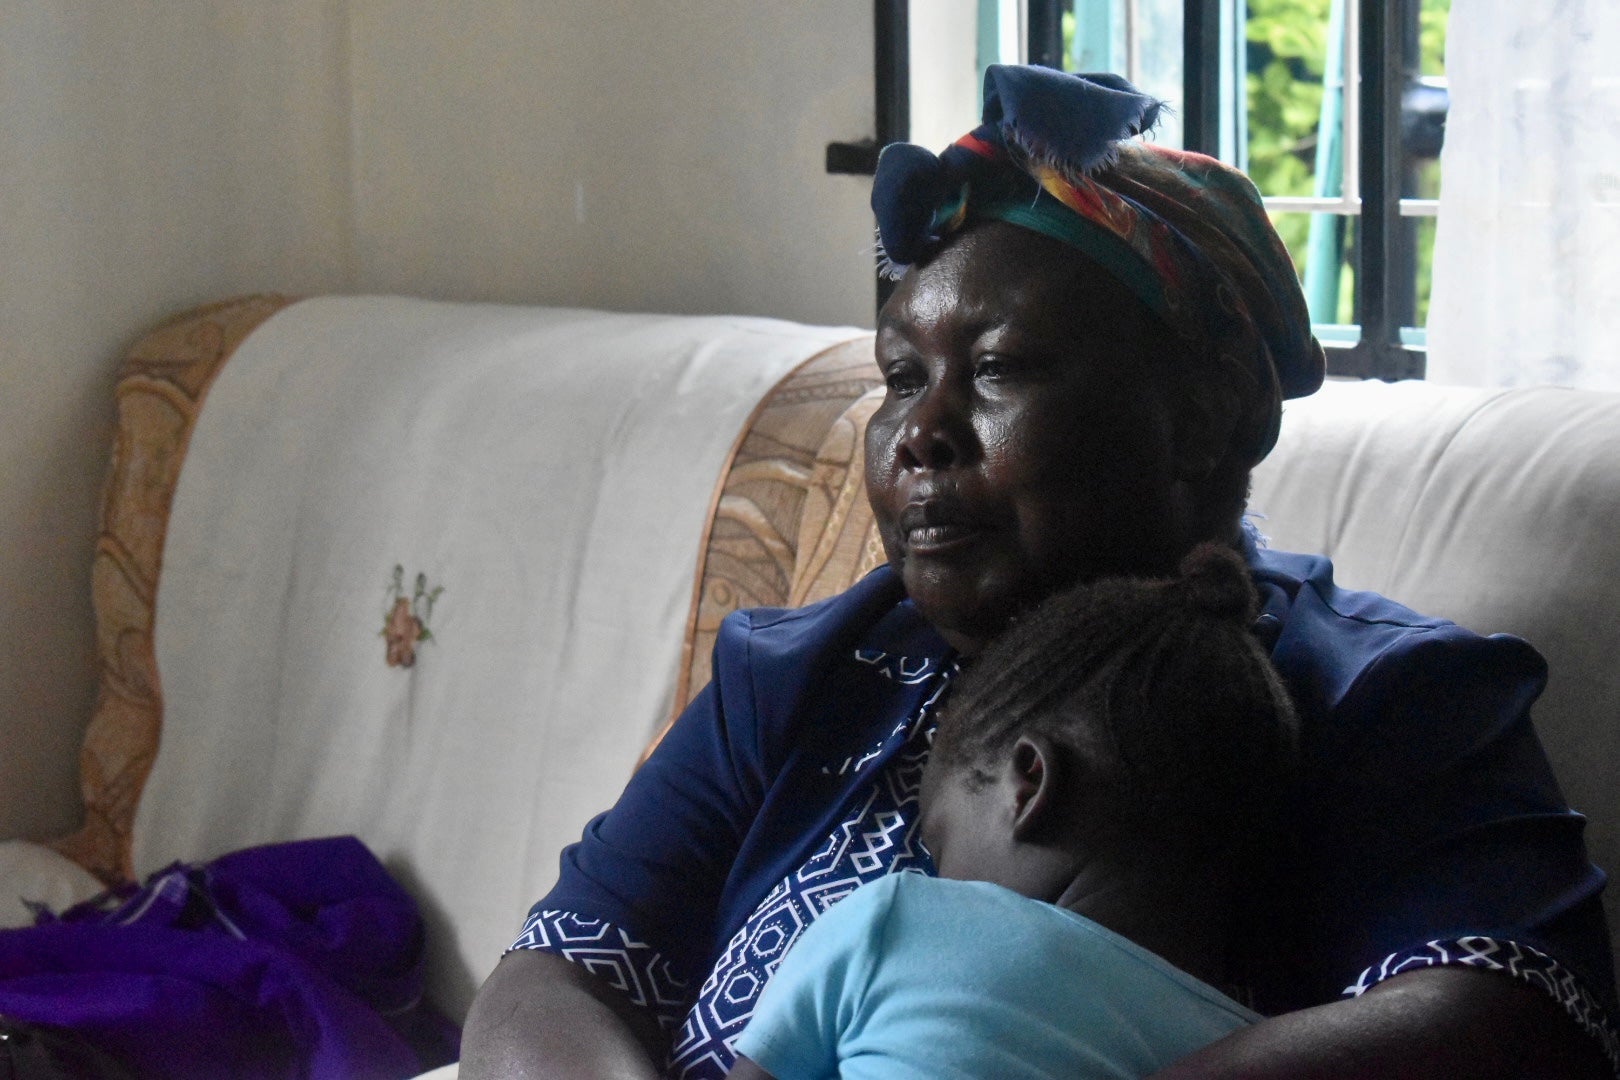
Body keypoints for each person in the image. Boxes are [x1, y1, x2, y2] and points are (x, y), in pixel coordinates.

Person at [462, 65, 1618, 1079]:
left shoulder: (1384, 698)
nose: (919, 432)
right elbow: (554, 979)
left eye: (999, 366)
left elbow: (1507, 1021)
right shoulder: (805, 671)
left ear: (1207, 416)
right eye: (903, 376)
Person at [724, 544, 1294, 1080]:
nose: (932, 871)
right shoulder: (1268, 1053)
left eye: (936, 843)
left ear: (1028, 785)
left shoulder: (898, 920)